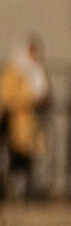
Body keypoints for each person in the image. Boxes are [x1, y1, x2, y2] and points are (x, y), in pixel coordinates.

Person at [0, 34, 49, 197]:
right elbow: (7, 97)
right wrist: (30, 99)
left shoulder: (38, 70)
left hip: (31, 122)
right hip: (15, 122)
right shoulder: (14, 70)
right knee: (14, 157)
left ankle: (26, 191)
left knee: (29, 158)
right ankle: (11, 190)